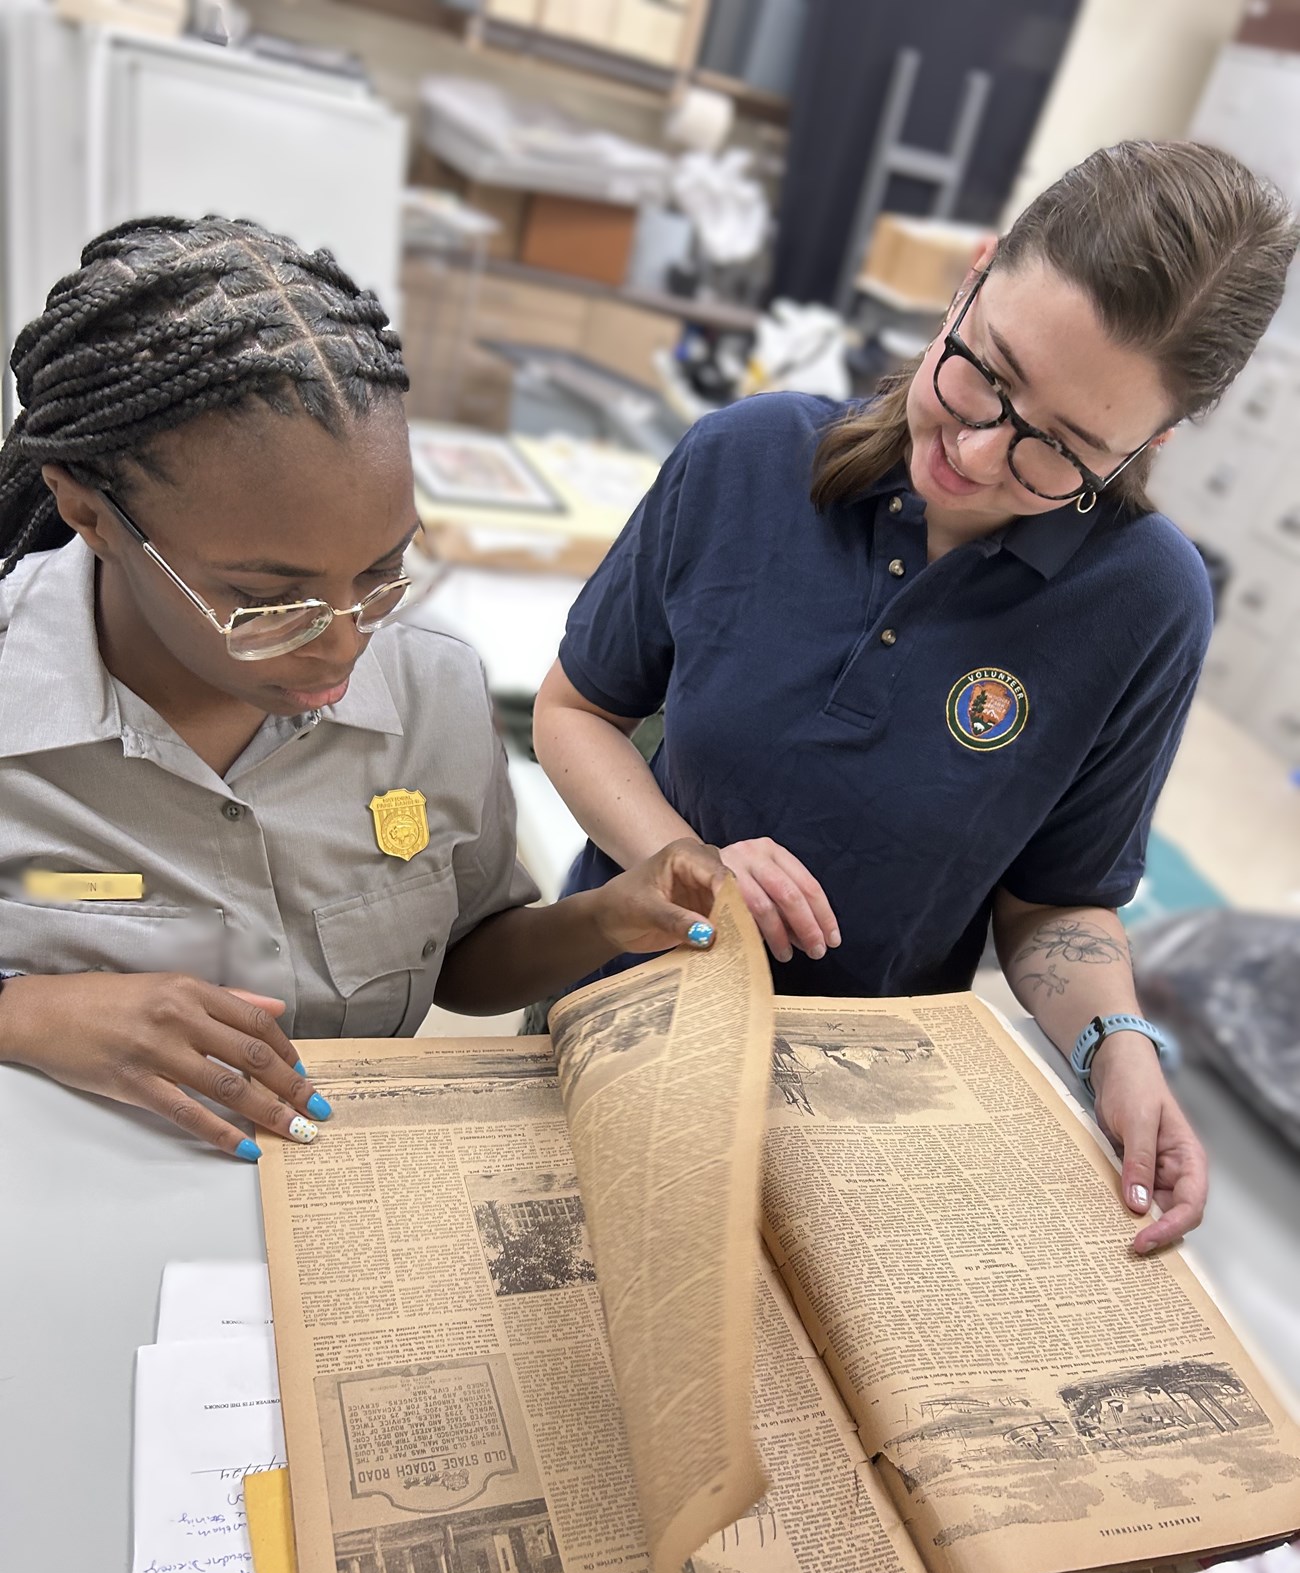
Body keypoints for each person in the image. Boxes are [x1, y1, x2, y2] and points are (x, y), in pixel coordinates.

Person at [532, 141, 1300, 1256]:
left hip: (848, 1123)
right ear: (973, 275)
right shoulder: (744, 459)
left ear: (1155, 440)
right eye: (985, 372)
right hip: (606, 1025)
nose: (980, 452)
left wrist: (1116, 1042)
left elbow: (1055, 903)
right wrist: (679, 855)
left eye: (1064, 449)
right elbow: (573, 711)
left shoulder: (1147, 605)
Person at [0, 215, 723, 1162]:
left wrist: (605, 915)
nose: (343, 647)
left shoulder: (431, 690)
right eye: (267, 600)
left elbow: (461, 956)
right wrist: (28, 1013)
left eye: (382, 572)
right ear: (89, 514)